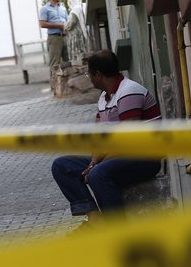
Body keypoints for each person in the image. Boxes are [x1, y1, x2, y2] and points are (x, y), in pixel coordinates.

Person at [50, 49, 162, 222]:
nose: (90, 77)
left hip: (144, 157)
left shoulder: (129, 92)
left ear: (99, 75)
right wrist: (93, 162)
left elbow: (129, 141)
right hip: (118, 155)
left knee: (98, 175)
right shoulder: (104, 97)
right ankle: (96, 220)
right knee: (62, 166)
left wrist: (95, 167)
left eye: (89, 74)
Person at [38, 0, 69, 65]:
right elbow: (42, 24)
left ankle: (67, 77)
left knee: (68, 62)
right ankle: (54, 78)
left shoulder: (63, 8)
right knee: (55, 64)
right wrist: (58, 26)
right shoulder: (45, 9)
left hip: (65, 37)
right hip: (54, 38)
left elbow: (68, 22)